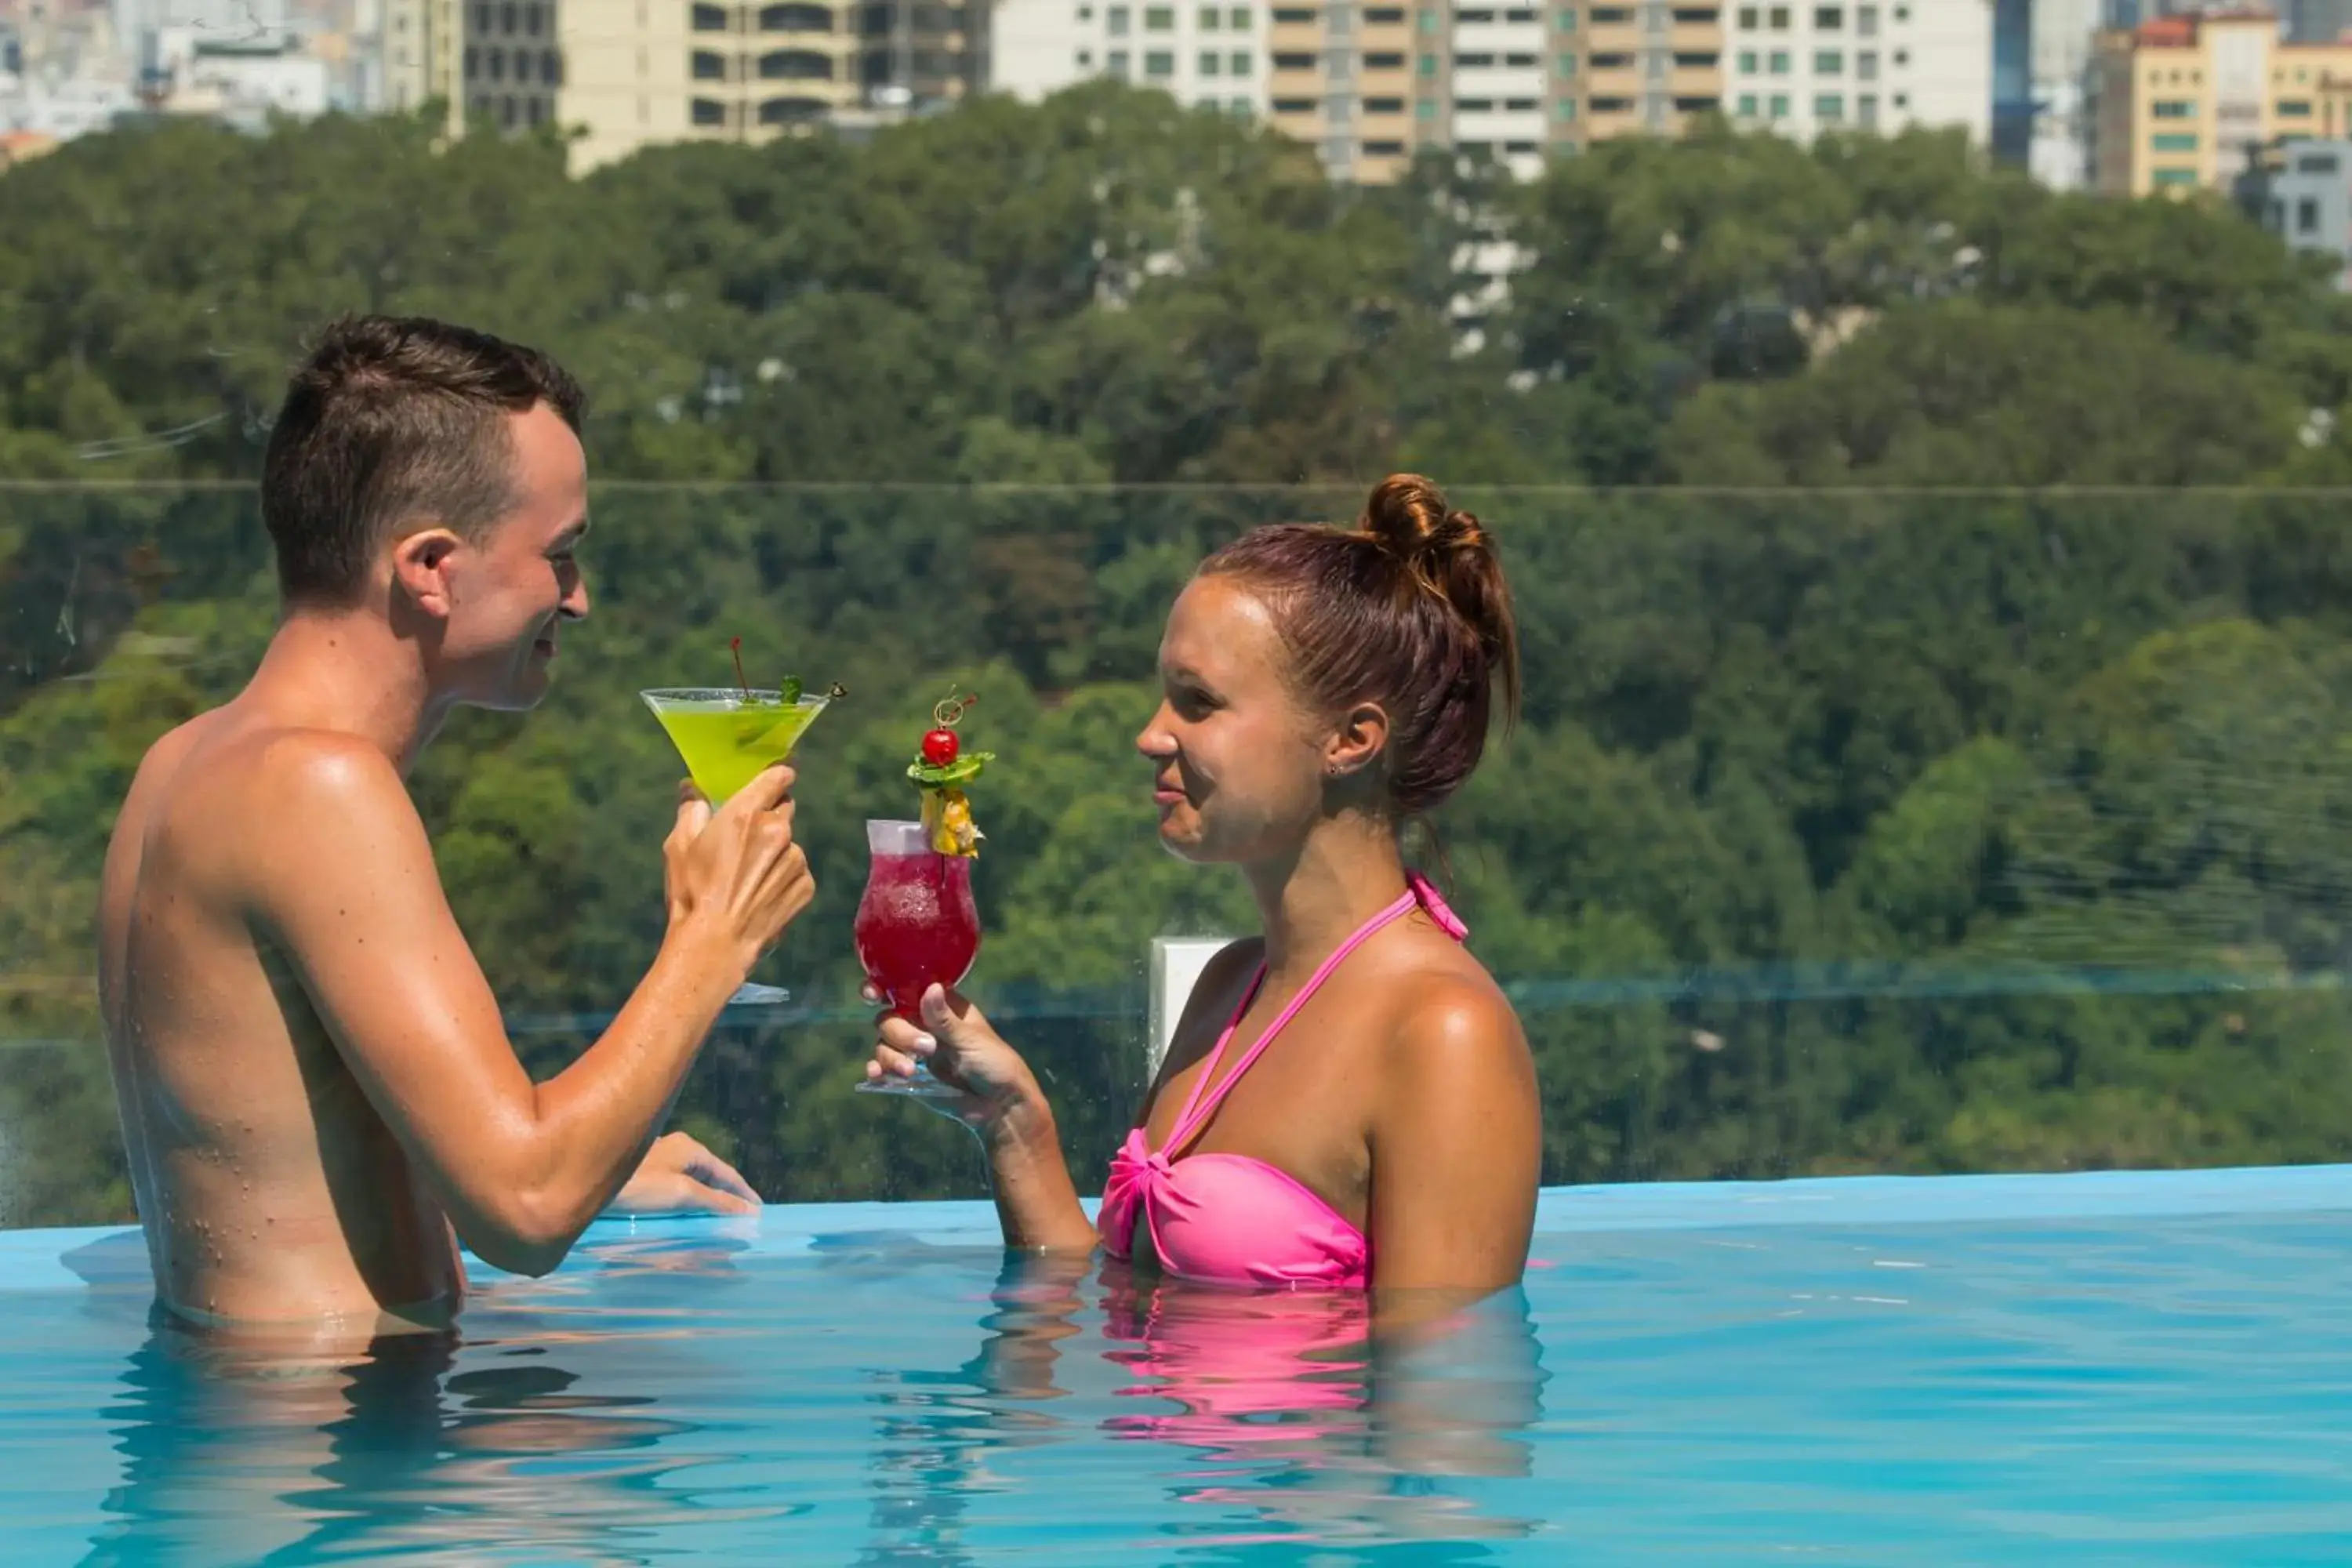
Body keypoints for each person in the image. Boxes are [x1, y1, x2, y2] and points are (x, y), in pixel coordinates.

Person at [97, 315, 815, 1334]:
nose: (581, 600)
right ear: (431, 565)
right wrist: (713, 939)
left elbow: (272, 1154)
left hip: (258, 1431)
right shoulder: (319, 790)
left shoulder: (190, 761)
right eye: (559, 557)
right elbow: (527, 1212)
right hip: (345, 1459)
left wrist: (595, 1163)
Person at [866, 474, 1540, 1305]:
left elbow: (1448, 1414)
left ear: (1351, 738)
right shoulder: (1232, 985)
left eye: (1199, 701)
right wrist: (1014, 1121)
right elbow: (1124, 1304)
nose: (1151, 733)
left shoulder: (1444, 1033)